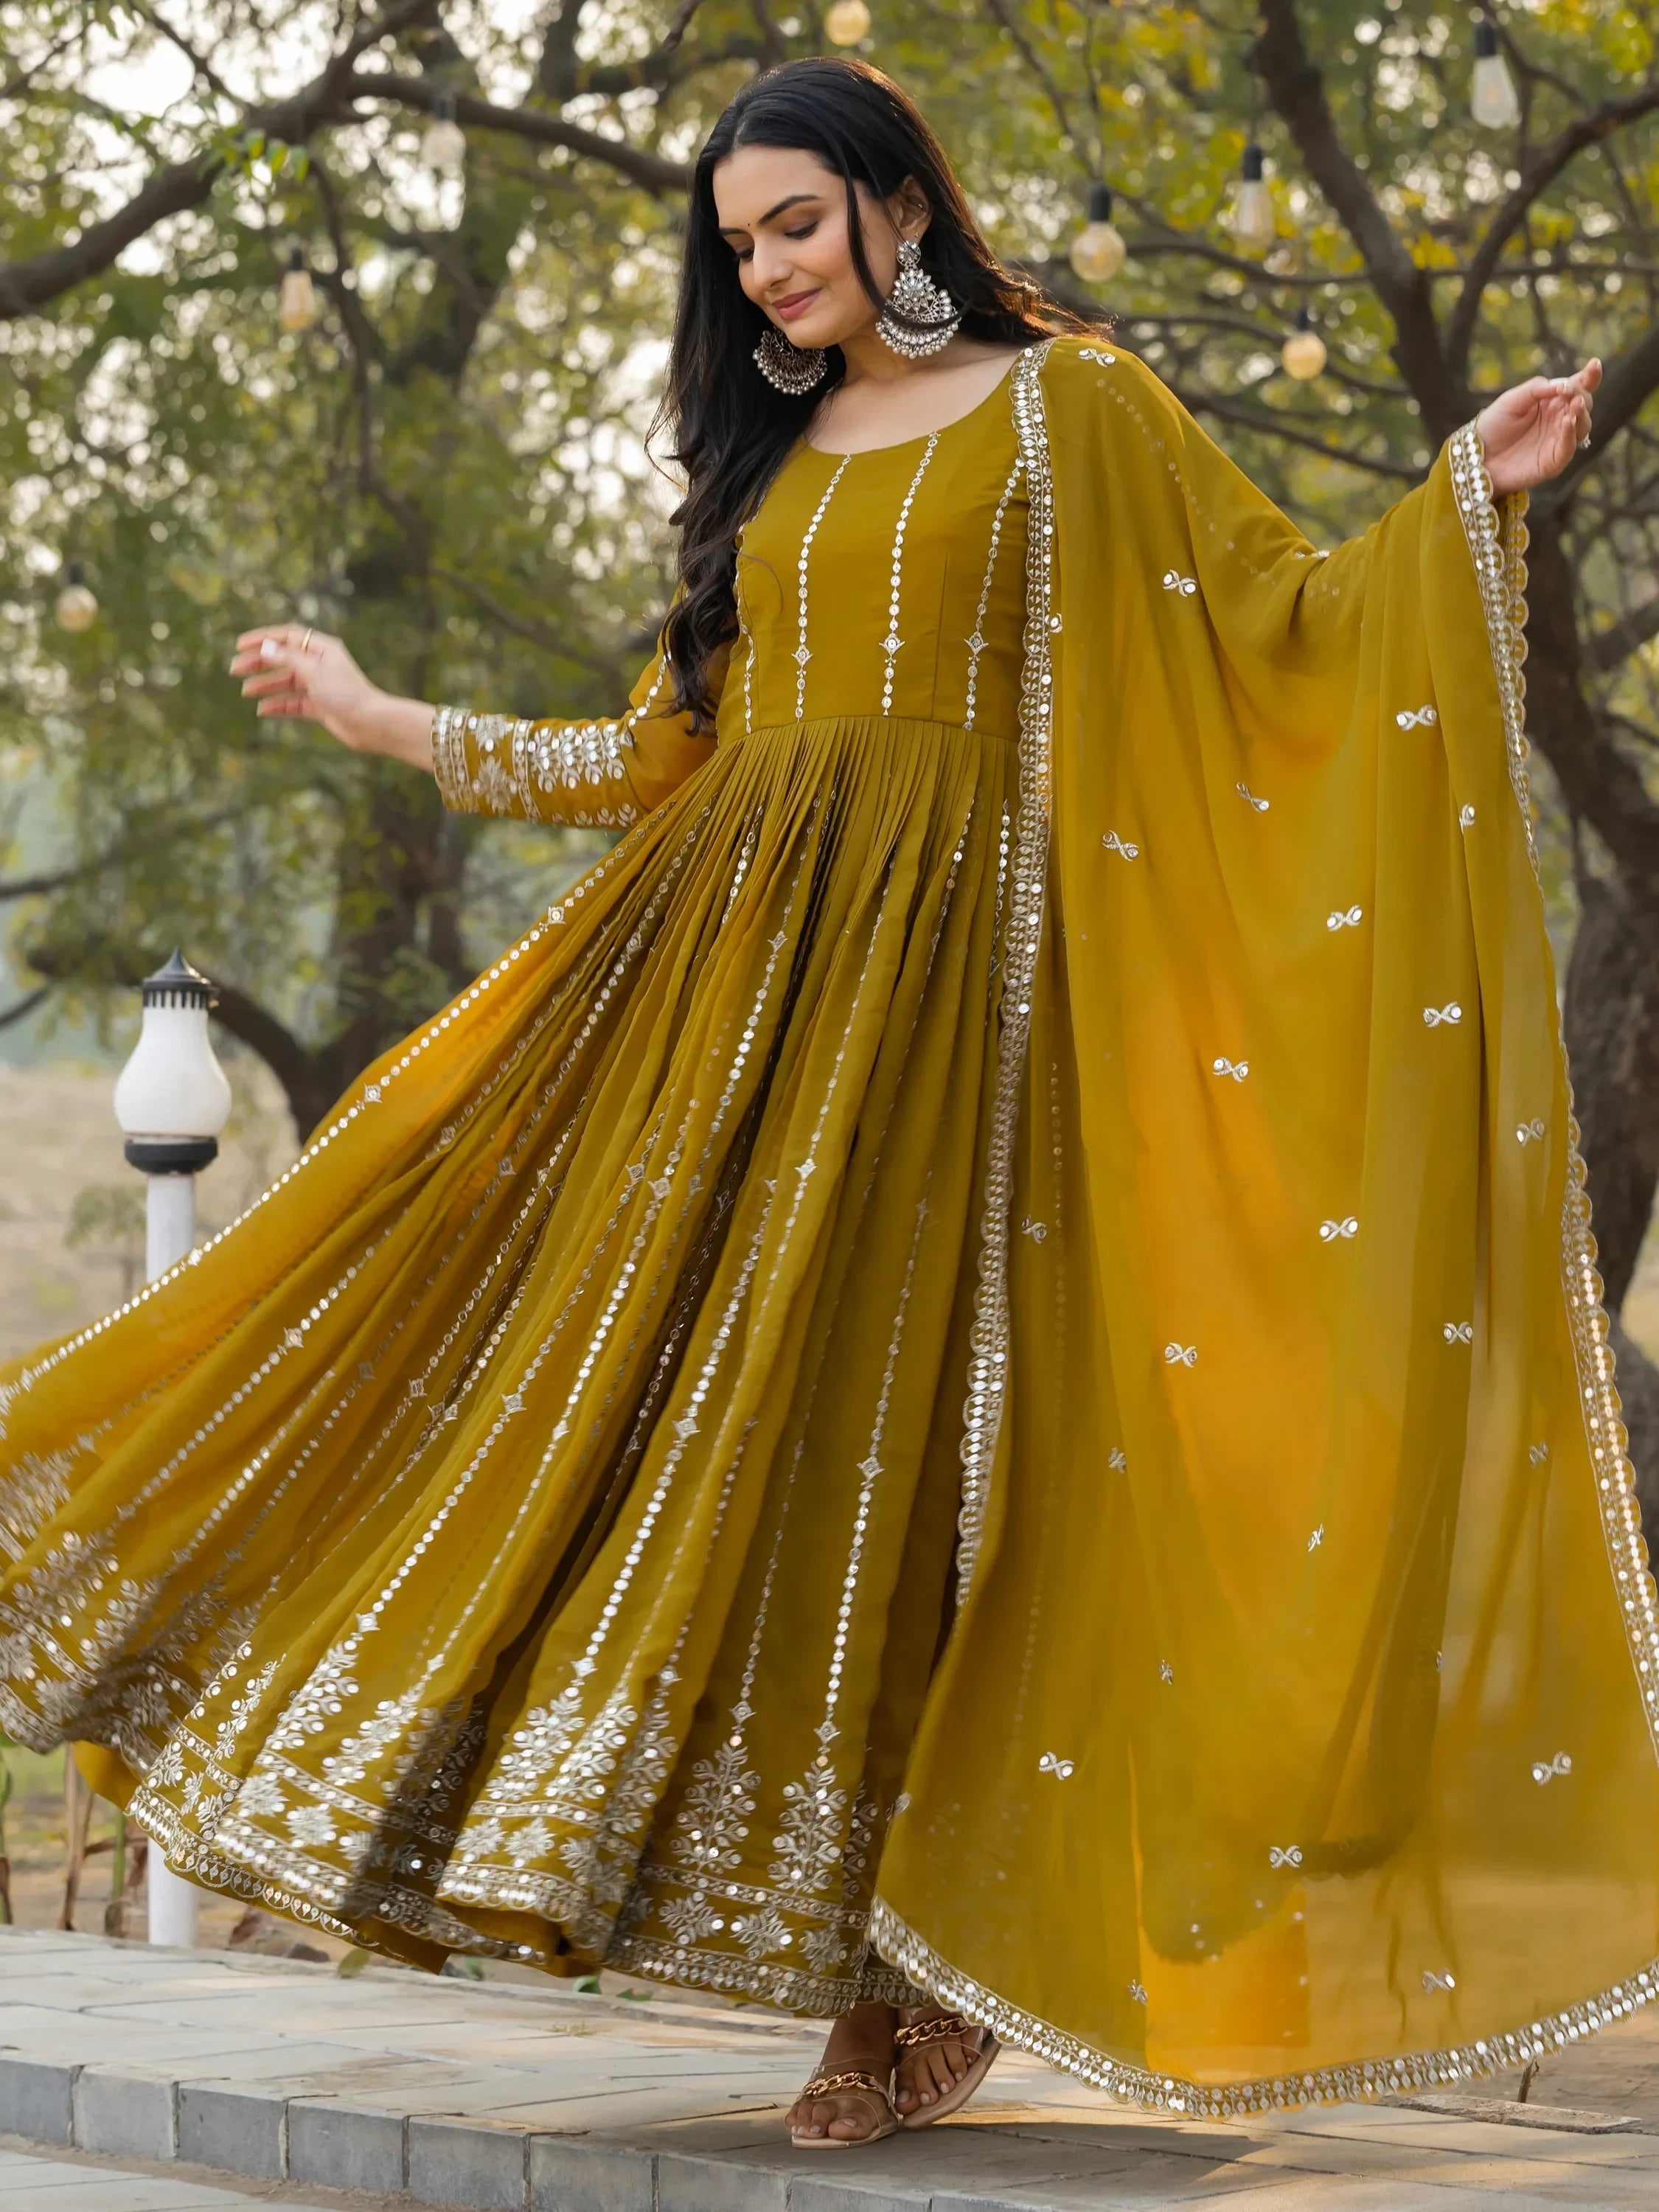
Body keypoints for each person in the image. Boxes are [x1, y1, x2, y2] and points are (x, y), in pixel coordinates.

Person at [0, 55, 1635, 2155]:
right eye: (738, 244)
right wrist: (375, 713)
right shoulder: (770, 460)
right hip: (729, 1017)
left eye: (793, 223)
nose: (767, 274)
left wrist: (1460, 500)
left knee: (937, 1471)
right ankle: (645, 1878)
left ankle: (912, 1993)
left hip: (971, 1030)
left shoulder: (1076, 409)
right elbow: (661, 750)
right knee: (616, 1400)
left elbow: (1285, 625)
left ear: (892, 199)